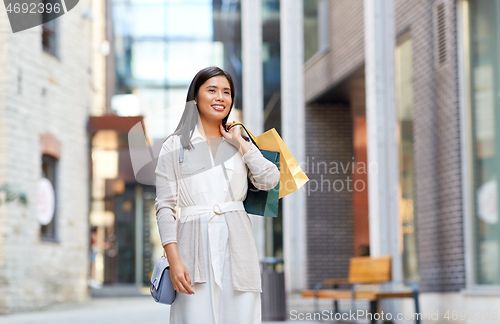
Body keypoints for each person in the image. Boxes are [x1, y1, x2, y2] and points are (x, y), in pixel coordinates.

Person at [154, 66, 280, 324]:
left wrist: (241, 143)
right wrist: (174, 260)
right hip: (192, 253)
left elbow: (270, 179)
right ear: (195, 98)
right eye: (212, 90)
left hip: (238, 249)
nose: (220, 97)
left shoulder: (239, 141)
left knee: (241, 316)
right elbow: (165, 207)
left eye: (227, 92)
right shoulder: (175, 145)